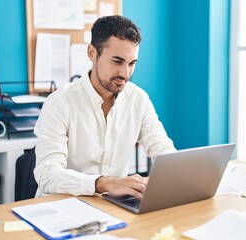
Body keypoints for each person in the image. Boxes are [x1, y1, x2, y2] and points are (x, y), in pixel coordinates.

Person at [34, 15, 176, 200]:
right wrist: (104, 183)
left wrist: (179, 175)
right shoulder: (59, 102)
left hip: (112, 206)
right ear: (92, 53)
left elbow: (162, 148)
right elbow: (47, 174)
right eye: (117, 61)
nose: (125, 73)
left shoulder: (138, 99)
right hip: (63, 206)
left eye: (132, 63)